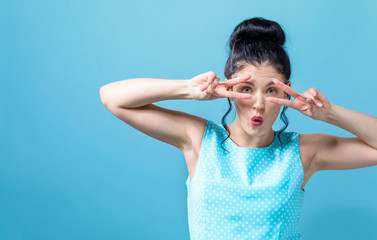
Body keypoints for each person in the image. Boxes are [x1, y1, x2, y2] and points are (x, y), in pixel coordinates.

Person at [99, 17, 377, 240]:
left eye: (270, 91)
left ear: (288, 93)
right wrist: (188, 89)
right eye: (246, 89)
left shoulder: (303, 152)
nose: (258, 104)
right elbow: (112, 97)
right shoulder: (199, 139)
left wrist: (329, 114)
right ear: (228, 89)